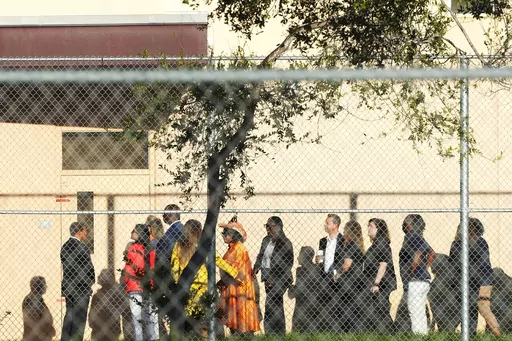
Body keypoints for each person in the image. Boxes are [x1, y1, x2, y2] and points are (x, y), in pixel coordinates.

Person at [170, 219, 239, 336]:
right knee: (208, 319)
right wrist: (235, 273)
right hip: (203, 287)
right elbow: (216, 260)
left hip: (187, 288)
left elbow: (174, 266)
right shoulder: (202, 246)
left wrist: (178, 281)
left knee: (191, 319)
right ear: (198, 232)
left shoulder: (178, 245)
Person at [449, 217, 501, 336]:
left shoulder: (476, 242)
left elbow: (458, 263)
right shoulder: (461, 243)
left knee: (482, 308)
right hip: (473, 281)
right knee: (471, 309)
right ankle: (469, 335)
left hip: (479, 281)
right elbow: (456, 262)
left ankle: (498, 334)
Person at [217, 217, 261, 336]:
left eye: (225, 233)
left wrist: (224, 279)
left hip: (239, 290)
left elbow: (238, 273)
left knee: (241, 321)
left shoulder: (239, 249)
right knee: (234, 321)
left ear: (232, 235)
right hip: (233, 288)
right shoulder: (233, 248)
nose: (223, 236)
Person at [253, 216, 294, 336]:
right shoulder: (266, 240)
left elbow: (287, 263)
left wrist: (274, 278)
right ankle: (272, 334)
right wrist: (256, 267)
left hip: (280, 279)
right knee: (273, 305)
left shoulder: (285, 243)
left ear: (278, 227)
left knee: (273, 304)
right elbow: (261, 255)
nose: (267, 229)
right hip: (267, 278)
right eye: (266, 226)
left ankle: (276, 333)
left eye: (269, 226)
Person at [398, 214, 435, 334]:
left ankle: (418, 337)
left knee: (415, 313)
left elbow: (418, 253)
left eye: (406, 221)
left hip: (415, 280)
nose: (404, 222)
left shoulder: (411, 236)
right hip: (423, 280)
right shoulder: (419, 237)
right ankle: (423, 335)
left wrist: (414, 269)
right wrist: (424, 268)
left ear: (411, 224)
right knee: (419, 312)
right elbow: (432, 253)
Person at [123, 224, 159, 341]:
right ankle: (152, 338)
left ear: (139, 234)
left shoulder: (132, 249)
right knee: (149, 316)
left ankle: (139, 339)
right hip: (147, 285)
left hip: (134, 286)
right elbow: (152, 269)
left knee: (136, 317)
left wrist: (127, 281)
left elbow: (129, 268)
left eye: (134, 231)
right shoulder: (151, 249)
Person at [61, 221, 95, 341]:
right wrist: (91, 282)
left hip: (69, 288)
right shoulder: (82, 247)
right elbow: (89, 268)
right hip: (81, 288)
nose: (86, 233)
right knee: (80, 318)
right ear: (78, 231)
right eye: (84, 230)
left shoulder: (64, 246)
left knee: (69, 314)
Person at [363, 218, 397, 333]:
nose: (368, 228)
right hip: (375, 283)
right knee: (377, 311)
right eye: (368, 226)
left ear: (379, 229)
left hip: (381, 284)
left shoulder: (381, 243)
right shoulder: (377, 244)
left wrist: (376, 283)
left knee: (381, 311)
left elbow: (383, 265)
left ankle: (392, 334)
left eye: (371, 226)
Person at [334, 220, 365, 333]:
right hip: (357, 284)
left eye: (344, 230)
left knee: (344, 313)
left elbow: (347, 265)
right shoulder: (359, 246)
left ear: (348, 232)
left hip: (348, 284)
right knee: (354, 313)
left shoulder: (350, 245)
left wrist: (337, 274)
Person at [155, 204, 184, 320]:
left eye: (165, 214)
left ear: (171, 215)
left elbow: (167, 252)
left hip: (171, 274)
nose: (163, 216)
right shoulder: (181, 229)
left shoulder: (174, 232)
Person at [89, 268, 132, 341]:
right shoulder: (117, 295)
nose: (98, 277)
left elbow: (91, 317)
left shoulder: (97, 296)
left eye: (101, 275)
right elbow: (126, 313)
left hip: (98, 330)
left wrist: (92, 325)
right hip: (113, 330)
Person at [288, 246, 320, 333]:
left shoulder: (300, 270)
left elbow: (300, 288)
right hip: (315, 304)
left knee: (298, 326)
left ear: (305, 257)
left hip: (302, 304)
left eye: (300, 255)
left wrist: (291, 289)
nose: (298, 257)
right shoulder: (317, 268)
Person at [22, 276, 55, 341]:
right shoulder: (31, 300)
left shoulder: (38, 299)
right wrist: (49, 329)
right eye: (44, 284)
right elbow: (34, 322)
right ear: (38, 286)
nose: (46, 287)